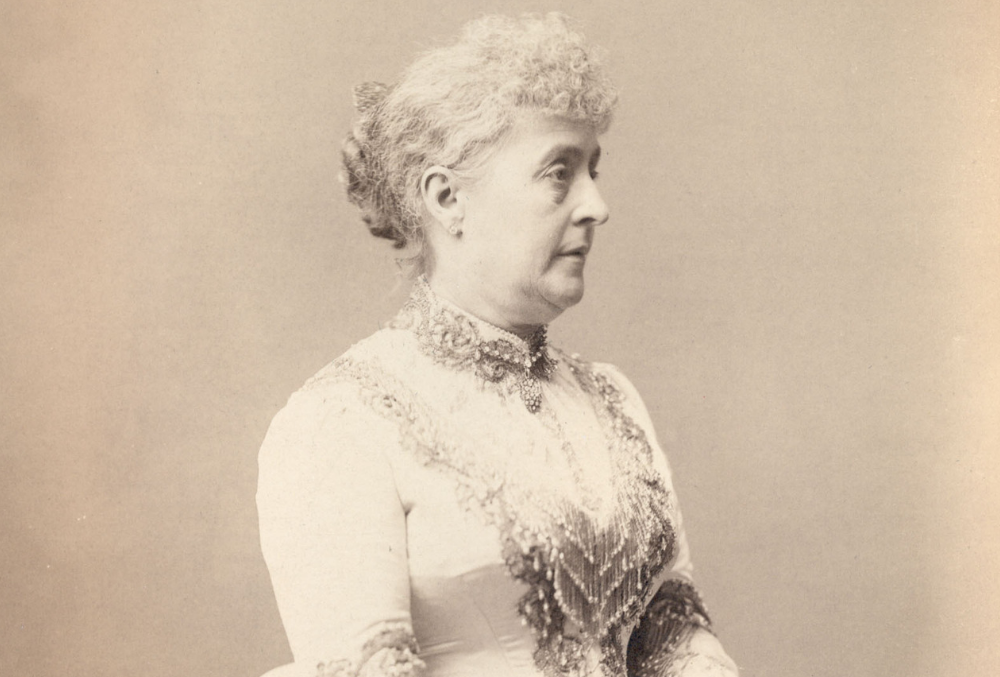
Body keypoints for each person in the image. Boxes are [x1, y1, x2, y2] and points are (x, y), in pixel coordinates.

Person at [257, 13, 739, 677]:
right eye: (559, 171)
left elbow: (674, 627)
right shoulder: (345, 419)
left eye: (593, 169)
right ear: (447, 197)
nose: (596, 204)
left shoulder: (612, 402)